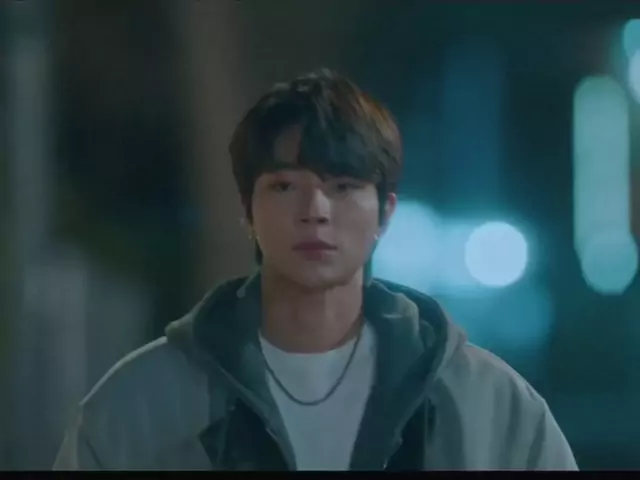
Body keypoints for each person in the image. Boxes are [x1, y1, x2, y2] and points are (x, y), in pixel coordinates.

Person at [54, 69, 578, 471]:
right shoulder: (144, 402)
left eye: (343, 187)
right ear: (247, 210)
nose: (315, 210)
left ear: (385, 213)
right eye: (285, 186)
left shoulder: (485, 404)